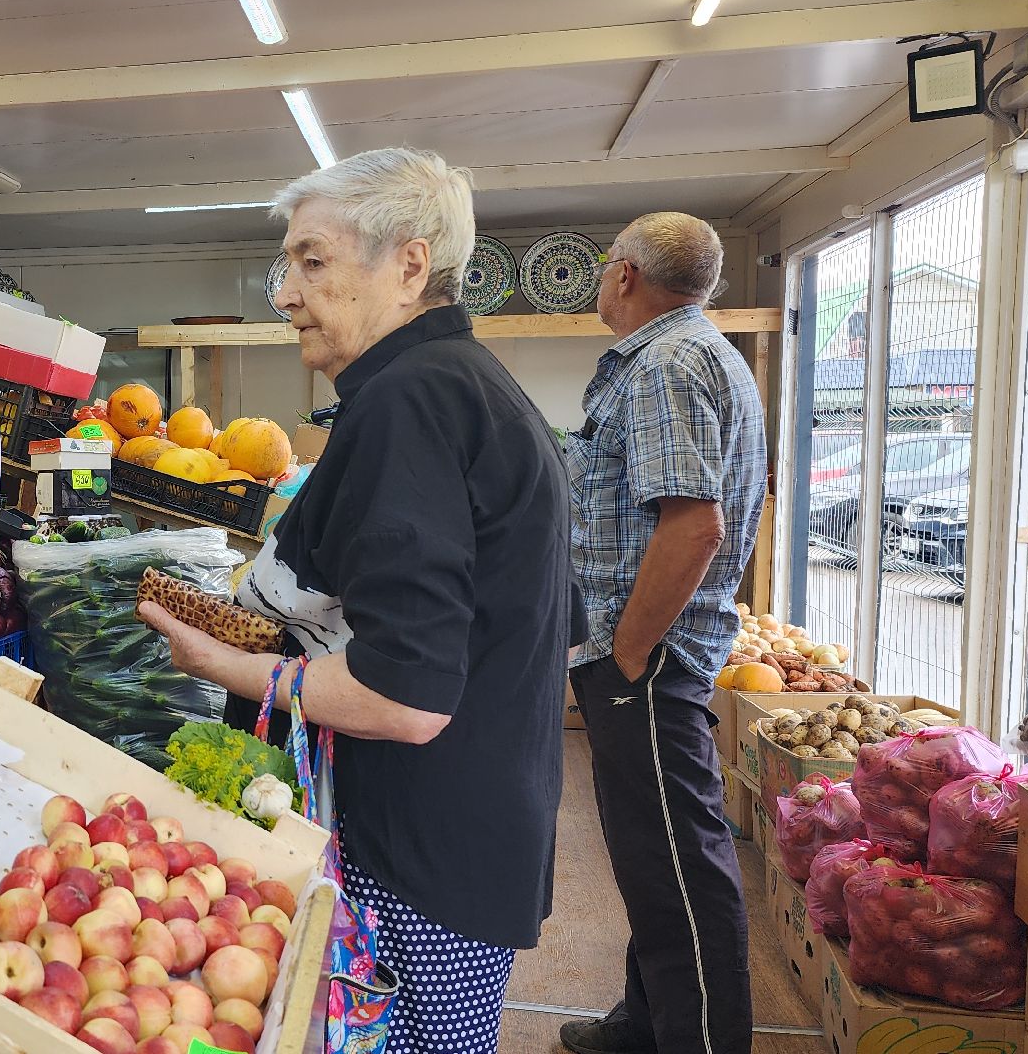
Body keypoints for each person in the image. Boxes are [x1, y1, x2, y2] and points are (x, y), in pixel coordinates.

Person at [136, 147, 580, 1053]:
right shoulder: (470, 385)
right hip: (475, 824)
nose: (288, 294)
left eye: (313, 261)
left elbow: (407, 696)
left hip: (420, 849)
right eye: (288, 266)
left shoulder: (407, 403)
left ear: (409, 266)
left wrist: (224, 663)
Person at [561, 212, 766, 1054]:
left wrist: (628, 654)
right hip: (656, 654)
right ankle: (644, 1023)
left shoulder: (665, 368)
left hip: (650, 661)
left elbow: (693, 527)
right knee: (655, 860)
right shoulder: (698, 355)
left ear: (626, 276)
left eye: (606, 266)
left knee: (682, 869)